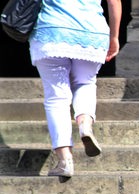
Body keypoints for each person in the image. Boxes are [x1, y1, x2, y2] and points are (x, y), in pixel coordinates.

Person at [28, 0, 122, 178]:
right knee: (85, 83)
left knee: (57, 97)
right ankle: (85, 126)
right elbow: (114, 1)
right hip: (91, 33)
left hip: (51, 31)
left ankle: (65, 161)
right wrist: (114, 37)